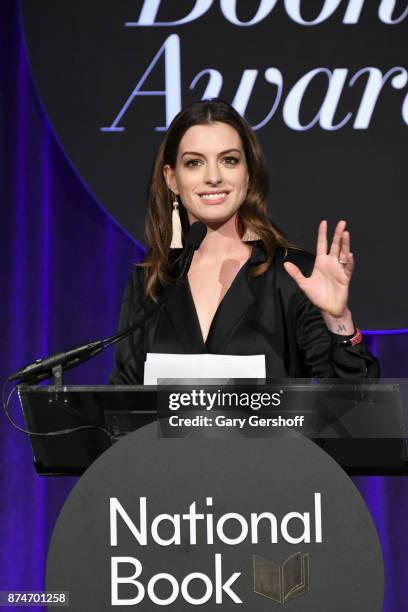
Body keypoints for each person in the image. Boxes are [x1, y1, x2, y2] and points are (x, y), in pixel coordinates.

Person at [110, 98, 379, 385]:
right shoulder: (151, 280)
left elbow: (353, 404)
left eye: (229, 160)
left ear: (248, 174)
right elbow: (123, 401)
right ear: (171, 178)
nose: (213, 177)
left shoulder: (292, 274)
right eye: (194, 163)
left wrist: (338, 319)